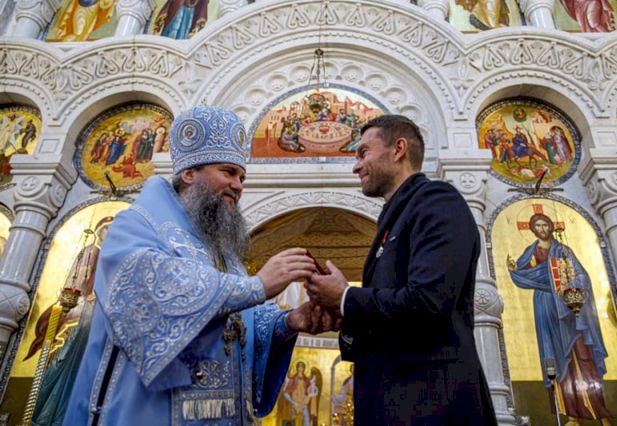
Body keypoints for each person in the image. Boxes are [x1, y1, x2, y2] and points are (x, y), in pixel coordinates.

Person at [63, 106, 338, 426]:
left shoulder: (222, 249)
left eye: (242, 177)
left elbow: (239, 324)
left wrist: (289, 322)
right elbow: (151, 292)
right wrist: (257, 286)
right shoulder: (139, 225)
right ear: (189, 173)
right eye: (228, 172)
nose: (238, 185)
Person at [305, 115, 497, 424]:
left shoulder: (436, 201)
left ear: (398, 149)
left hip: (431, 404)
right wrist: (345, 316)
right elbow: (391, 315)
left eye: (363, 152)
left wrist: (346, 298)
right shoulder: (396, 216)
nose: (356, 166)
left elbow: (427, 301)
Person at [507, 213, 612, 425]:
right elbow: (521, 276)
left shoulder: (564, 250)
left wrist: (571, 285)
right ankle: (571, 416)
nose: (542, 229)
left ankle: (600, 414)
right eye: (538, 226)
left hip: (569, 308)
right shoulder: (530, 252)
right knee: (554, 358)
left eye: (545, 225)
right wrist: (513, 270)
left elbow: (582, 275)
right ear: (532, 229)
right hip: (545, 307)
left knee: (583, 354)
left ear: (551, 226)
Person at [31, 216, 114, 426]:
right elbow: (78, 283)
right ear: (100, 232)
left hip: (100, 313)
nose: (110, 233)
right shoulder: (91, 251)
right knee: (69, 358)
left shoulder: (115, 255)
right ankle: (51, 414)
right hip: (88, 311)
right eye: (106, 229)